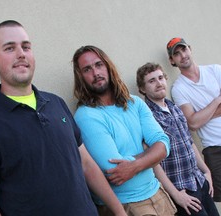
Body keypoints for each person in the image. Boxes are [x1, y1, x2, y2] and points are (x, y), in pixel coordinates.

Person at [0, 20, 127, 216]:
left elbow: (86, 165)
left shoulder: (56, 103)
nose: (21, 53)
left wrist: (120, 212)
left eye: (26, 46)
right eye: (9, 48)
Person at [72, 45, 177, 216]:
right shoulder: (86, 116)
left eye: (99, 65)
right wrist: (149, 153)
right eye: (87, 69)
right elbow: (114, 171)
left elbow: (164, 144)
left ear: (108, 66)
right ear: (81, 77)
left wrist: (134, 164)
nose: (95, 73)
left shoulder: (135, 102)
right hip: (127, 205)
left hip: (158, 194)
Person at [166, 37, 221, 216]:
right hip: (214, 149)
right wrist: (218, 99)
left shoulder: (215, 70)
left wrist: (204, 115)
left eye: (184, 50)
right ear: (172, 61)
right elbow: (193, 123)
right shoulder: (178, 89)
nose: (182, 55)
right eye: (176, 54)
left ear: (190, 49)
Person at [136, 62, 219, 215]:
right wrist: (176, 195)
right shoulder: (147, 116)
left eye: (160, 78)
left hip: (199, 182)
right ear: (142, 88)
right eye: (151, 81)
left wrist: (206, 172)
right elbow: (152, 161)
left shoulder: (174, 107)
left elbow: (189, 142)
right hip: (182, 191)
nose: (158, 83)